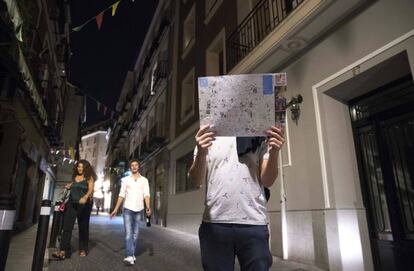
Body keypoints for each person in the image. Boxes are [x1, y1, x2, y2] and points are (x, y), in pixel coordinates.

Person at [188, 124, 285, 271]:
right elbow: (196, 181)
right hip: (215, 224)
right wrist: (201, 153)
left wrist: (275, 153)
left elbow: (268, 181)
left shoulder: (260, 134)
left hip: (254, 223)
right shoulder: (208, 134)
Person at [110, 159, 151, 266]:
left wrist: (148, 207)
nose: (134, 167)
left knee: (135, 233)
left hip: (139, 209)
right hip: (127, 209)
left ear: (139, 167)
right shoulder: (125, 180)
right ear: (130, 167)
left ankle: (131, 254)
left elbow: (146, 195)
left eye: (136, 165)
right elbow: (121, 195)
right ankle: (129, 255)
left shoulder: (144, 180)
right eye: (132, 165)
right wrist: (115, 209)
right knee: (128, 233)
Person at [52, 159, 95, 259]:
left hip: (84, 205)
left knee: (83, 227)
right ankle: (63, 251)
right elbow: (73, 184)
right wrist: (68, 186)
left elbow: (91, 189)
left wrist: (85, 197)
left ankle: (83, 249)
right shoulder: (75, 177)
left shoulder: (89, 178)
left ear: (86, 168)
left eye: (82, 167)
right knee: (67, 227)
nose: (80, 168)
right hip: (72, 204)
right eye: (79, 166)